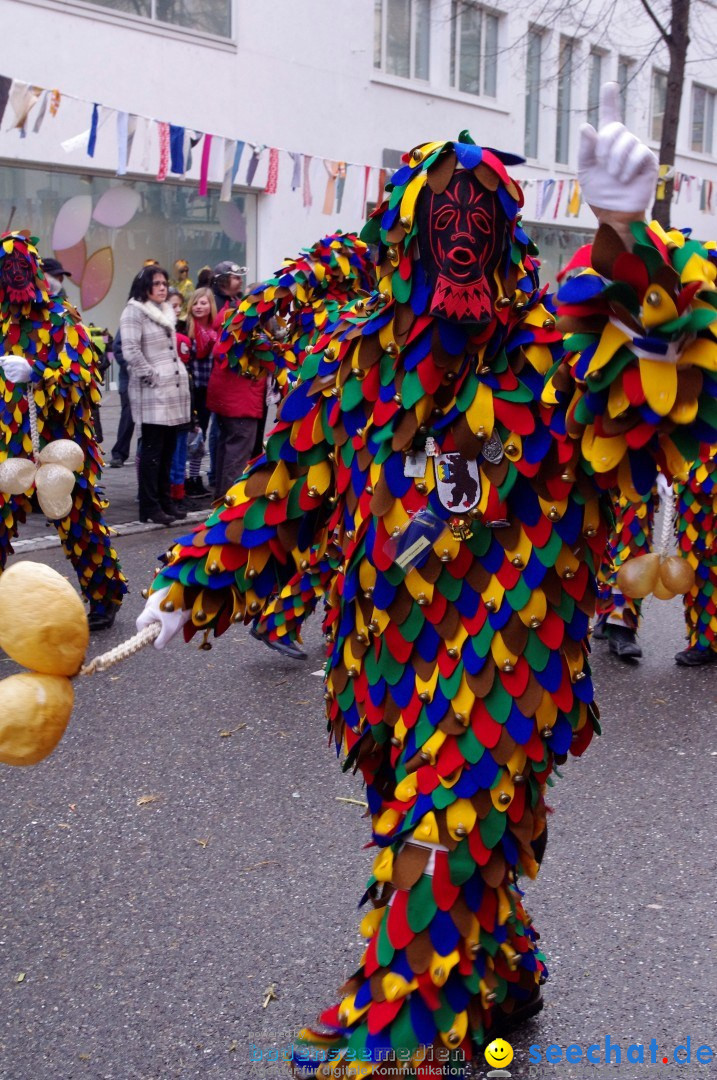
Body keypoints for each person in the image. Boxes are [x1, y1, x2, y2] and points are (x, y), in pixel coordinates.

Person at [138, 89, 717, 1074]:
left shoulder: (549, 358)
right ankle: (503, 959)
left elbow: (664, 384)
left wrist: (629, 234)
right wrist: (194, 581)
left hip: (502, 665)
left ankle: (400, 1034)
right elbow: (284, 495)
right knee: (422, 824)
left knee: (438, 829)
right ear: (406, 241)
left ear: (503, 240)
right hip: (382, 666)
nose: (458, 239)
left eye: (477, 223)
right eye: (440, 222)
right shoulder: (352, 364)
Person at [0, 233, 126, 630]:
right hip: (11, 444)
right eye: (7, 271)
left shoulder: (61, 317)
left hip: (62, 442)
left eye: (21, 269)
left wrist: (35, 373)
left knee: (80, 520)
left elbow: (86, 377)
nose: (15, 278)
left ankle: (105, 596)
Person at [119, 265, 191, 526]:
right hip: (152, 393)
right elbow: (130, 350)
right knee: (152, 450)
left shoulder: (165, 311)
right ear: (144, 286)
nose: (163, 287)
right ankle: (149, 505)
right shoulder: (134, 311)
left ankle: (165, 500)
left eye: (164, 283)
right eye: (157, 283)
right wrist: (153, 377)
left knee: (169, 449)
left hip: (173, 393)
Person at [184, 287, 217, 498]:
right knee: (190, 436)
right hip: (190, 389)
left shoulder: (215, 330)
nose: (198, 307)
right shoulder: (187, 328)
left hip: (209, 389)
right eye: (195, 303)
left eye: (203, 303)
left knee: (201, 435)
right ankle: (185, 479)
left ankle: (196, 478)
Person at [210, 260, 247, 324]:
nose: (241, 281)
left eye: (240, 278)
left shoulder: (239, 299)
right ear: (223, 281)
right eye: (237, 278)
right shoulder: (213, 303)